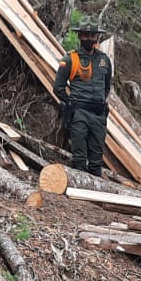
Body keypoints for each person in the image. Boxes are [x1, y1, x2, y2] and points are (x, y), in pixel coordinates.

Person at [52, 24, 113, 176]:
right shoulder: (70, 59)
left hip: (98, 116)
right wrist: (71, 103)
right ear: (80, 36)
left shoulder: (104, 60)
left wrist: (98, 102)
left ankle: (95, 196)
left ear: (97, 37)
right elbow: (58, 87)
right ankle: (79, 193)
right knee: (79, 157)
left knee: (96, 160)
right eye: (85, 35)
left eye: (92, 35)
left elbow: (106, 87)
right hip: (79, 113)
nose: (89, 38)